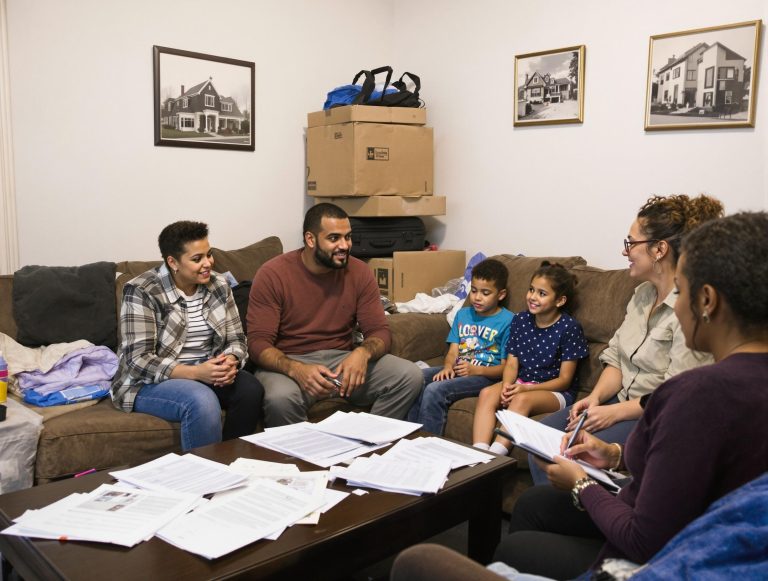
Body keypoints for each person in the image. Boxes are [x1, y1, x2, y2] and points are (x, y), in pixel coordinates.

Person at [493, 211, 768, 579]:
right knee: (533, 504)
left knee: (477, 553)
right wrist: (615, 455)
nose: (677, 303)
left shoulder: (694, 395)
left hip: (652, 556)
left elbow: (644, 539)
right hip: (662, 519)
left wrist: (582, 484)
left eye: (682, 291)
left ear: (707, 300)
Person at [530, 194, 723, 485]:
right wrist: (594, 398)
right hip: (615, 400)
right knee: (539, 440)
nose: (625, 252)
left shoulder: (688, 309)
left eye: (631, 243)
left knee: (566, 452)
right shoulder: (641, 295)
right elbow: (617, 357)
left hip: (652, 416)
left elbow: (673, 393)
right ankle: (553, 512)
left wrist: (612, 413)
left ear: (659, 249)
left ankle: (583, 517)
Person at [247, 203, 423, 427]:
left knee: (409, 376)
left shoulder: (360, 272)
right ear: (310, 240)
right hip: (290, 362)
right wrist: (296, 369)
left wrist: (362, 353)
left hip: (341, 359)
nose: (345, 245)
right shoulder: (273, 274)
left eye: (348, 237)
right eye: (334, 238)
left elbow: (379, 331)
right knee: (280, 399)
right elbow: (257, 343)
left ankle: (367, 442)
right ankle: (305, 457)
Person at [111, 221, 264, 451]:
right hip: (149, 383)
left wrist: (230, 362)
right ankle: (203, 478)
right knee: (201, 400)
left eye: (209, 255)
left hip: (206, 370)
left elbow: (237, 340)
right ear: (172, 262)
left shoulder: (219, 285)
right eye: (197, 259)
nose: (208, 264)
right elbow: (138, 360)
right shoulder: (142, 291)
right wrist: (196, 373)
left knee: (251, 389)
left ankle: (231, 464)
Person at [473, 262, 589, 455]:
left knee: (522, 399)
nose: (532, 297)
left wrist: (526, 388)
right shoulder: (520, 320)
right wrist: (506, 386)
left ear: (559, 301)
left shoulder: (569, 328)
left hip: (557, 392)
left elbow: (564, 380)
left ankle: (494, 458)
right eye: (531, 290)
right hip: (521, 382)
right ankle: (478, 453)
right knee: (487, 393)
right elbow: (512, 362)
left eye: (542, 294)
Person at [407, 258, 514, 435]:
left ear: (501, 295)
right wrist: (448, 367)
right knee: (415, 378)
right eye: (474, 291)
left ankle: (427, 443)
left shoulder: (509, 321)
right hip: (459, 369)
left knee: (436, 389)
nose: (477, 297)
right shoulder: (463, 315)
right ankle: (408, 436)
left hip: (486, 375)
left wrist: (476, 370)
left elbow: (506, 368)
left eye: (485, 293)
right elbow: (453, 351)